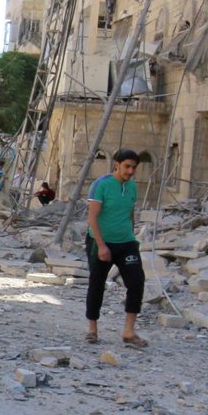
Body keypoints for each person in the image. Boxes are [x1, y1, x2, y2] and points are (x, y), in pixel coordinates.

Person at [85, 149, 147, 348]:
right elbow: (92, 217)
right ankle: (92, 329)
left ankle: (129, 331)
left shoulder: (132, 188)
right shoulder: (101, 185)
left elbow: (130, 212)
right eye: (127, 166)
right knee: (97, 283)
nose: (130, 171)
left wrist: (132, 233)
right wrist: (102, 245)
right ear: (116, 164)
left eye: (133, 168)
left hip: (126, 242)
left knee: (136, 282)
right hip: (101, 241)